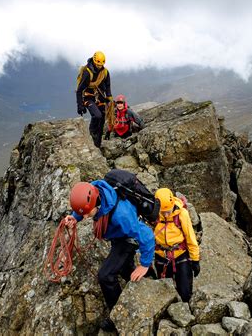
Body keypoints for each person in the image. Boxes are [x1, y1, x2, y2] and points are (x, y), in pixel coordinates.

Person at [63, 180, 155, 331]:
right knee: (125, 269)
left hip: (126, 240)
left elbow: (147, 236)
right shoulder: (95, 189)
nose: (85, 217)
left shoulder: (122, 216)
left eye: (86, 213)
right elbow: (85, 208)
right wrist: (75, 217)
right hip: (117, 236)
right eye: (83, 214)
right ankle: (141, 276)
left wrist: (144, 264)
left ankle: (117, 314)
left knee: (105, 276)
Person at [152, 188, 200, 302]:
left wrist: (195, 260)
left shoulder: (182, 214)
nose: (167, 214)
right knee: (164, 294)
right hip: (161, 256)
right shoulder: (154, 214)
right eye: (163, 212)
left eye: (168, 211)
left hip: (181, 255)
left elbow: (190, 237)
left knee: (185, 293)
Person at [76, 51, 113, 148]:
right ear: (94, 61)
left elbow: (108, 86)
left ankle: (97, 145)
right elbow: (79, 90)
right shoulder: (87, 73)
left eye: (101, 65)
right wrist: (80, 105)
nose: (99, 66)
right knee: (97, 116)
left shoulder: (105, 72)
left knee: (101, 121)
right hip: (88, 97)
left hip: (100, 98)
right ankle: (91, 132)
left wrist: (109, 98)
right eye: (97, 64)